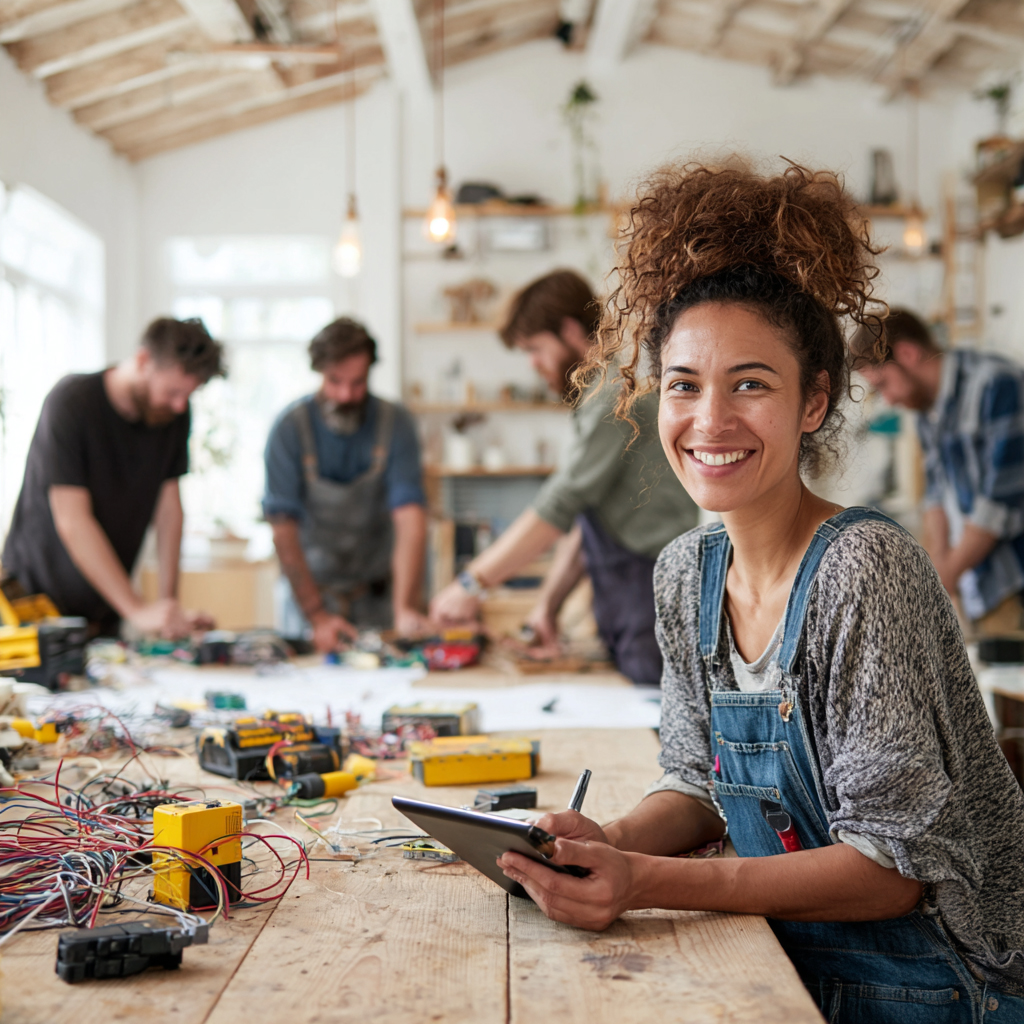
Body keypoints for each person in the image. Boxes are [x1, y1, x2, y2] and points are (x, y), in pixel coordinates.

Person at [495, 163, 1024, 1020]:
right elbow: (697, 784)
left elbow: (890, 876)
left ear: (814, 401)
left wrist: (646, 883)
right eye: (683, 384)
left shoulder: (864, 570)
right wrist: (614, 840)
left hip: (955, 985)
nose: (710, 422)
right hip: (796, 961)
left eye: (751, 383)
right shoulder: (684, 574)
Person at [430, 269, 698, 685]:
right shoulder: (597, 397)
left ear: (571, 332)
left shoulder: (612, 399)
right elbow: (585, 522)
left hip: (650, 590)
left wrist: (471, 582)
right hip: (625, 592)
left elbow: (560, 504)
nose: (533, 365)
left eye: (535, 348)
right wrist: (547, 607)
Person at [1, 317, 223, 638]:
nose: (178, 405)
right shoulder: (71, 402)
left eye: (186, 396)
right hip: (32, 606)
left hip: (102, 610)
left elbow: (169, 511)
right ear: (144, 360)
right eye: (172, 392)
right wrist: (137, 609)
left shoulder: (173, 415)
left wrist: (167, 609)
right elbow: (73, 520)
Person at [263, 317, 429, 651]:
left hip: (380, 598)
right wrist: (317, 616)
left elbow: (411, 519)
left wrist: (404, 608)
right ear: (319, 371)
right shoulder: (289, 430)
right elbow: (283, 530)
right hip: (310, 599)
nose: (346, 394)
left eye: (357, 382)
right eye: (335, 381)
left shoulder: (395, 424)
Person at [854, 310, 1024, 634]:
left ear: (907, 353)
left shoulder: (996, 384)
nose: (888, 400)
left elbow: (999, 502)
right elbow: (935, 495)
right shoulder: (925, 408)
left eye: (883, 384)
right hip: (977, 579)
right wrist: (938, 572)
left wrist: (944, 575)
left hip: (1014, 576)